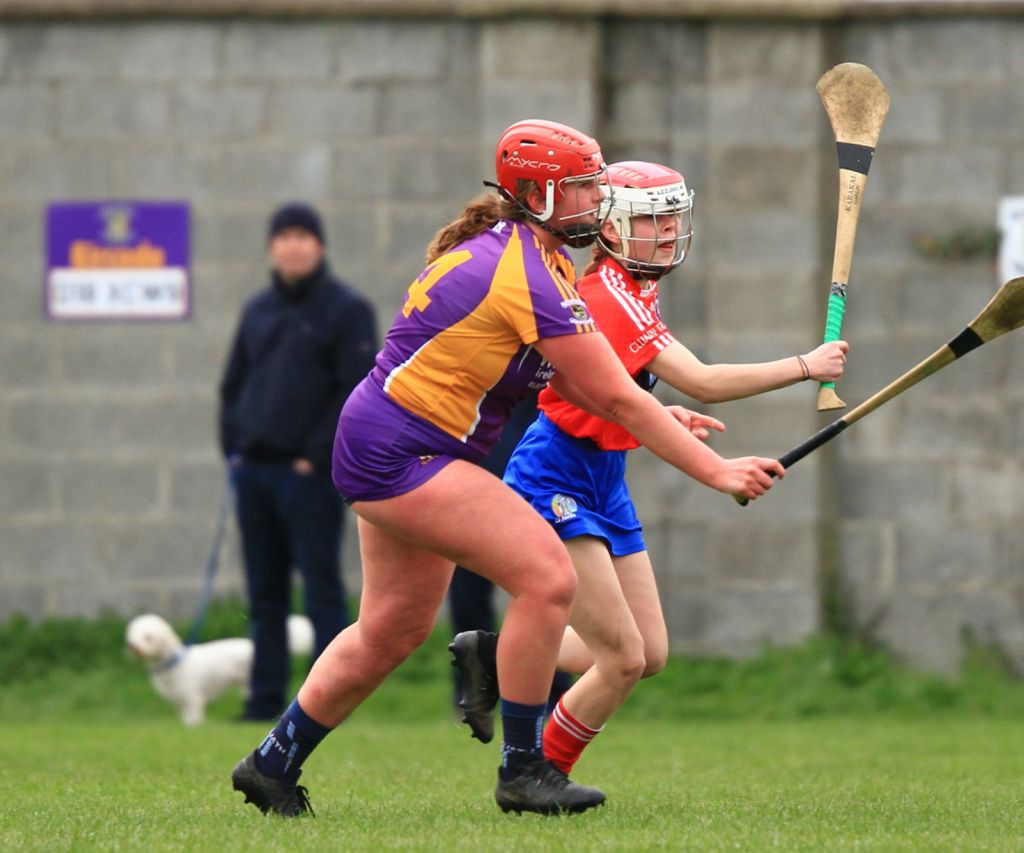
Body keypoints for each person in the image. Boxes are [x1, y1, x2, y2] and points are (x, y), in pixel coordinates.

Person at [229, 121, 784, 818]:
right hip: (405, 451)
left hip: (385, 440)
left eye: (595, 184)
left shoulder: (531, 256)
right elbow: (613, 393)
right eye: (581, 188)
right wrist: (717, 471)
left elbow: (588, 384)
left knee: (392, 629)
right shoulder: (529, 274)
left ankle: (272, 764)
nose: (596, 201)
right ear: (537, 194)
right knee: (546, 578)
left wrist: (662, 418)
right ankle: (524, 769)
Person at [449, 160, 847, 784]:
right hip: (556, 472)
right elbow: (705, 382)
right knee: (622, 658)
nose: (667, 231)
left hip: (605, 474)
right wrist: (805, 364)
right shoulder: (608, 292)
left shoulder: (638, 288)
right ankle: (536, 774)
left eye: (673, 218)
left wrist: (661, 415)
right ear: (609, 227)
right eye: (651, 220)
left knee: (648, 654)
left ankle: (497, 661)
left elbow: (615, 391)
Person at [218, 202, 377, 722]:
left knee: (321, 589)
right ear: (272, 247)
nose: (292, 245)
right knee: (264, 595)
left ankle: (323, 702)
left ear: (320, 245)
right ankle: (264, 700)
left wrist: (314, 456)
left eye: (302, 236)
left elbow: (355, 392)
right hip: (255, 473)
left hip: (308, 476)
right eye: (283, 236)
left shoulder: (346, 309)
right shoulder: (257, 310)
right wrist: (235, 450)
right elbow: (233, 386)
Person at [446, 392, 573, 737]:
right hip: (489, 468)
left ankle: (545, 688)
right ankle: (476, 681)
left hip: (541, 468)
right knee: (473, 584)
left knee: (552, 583)